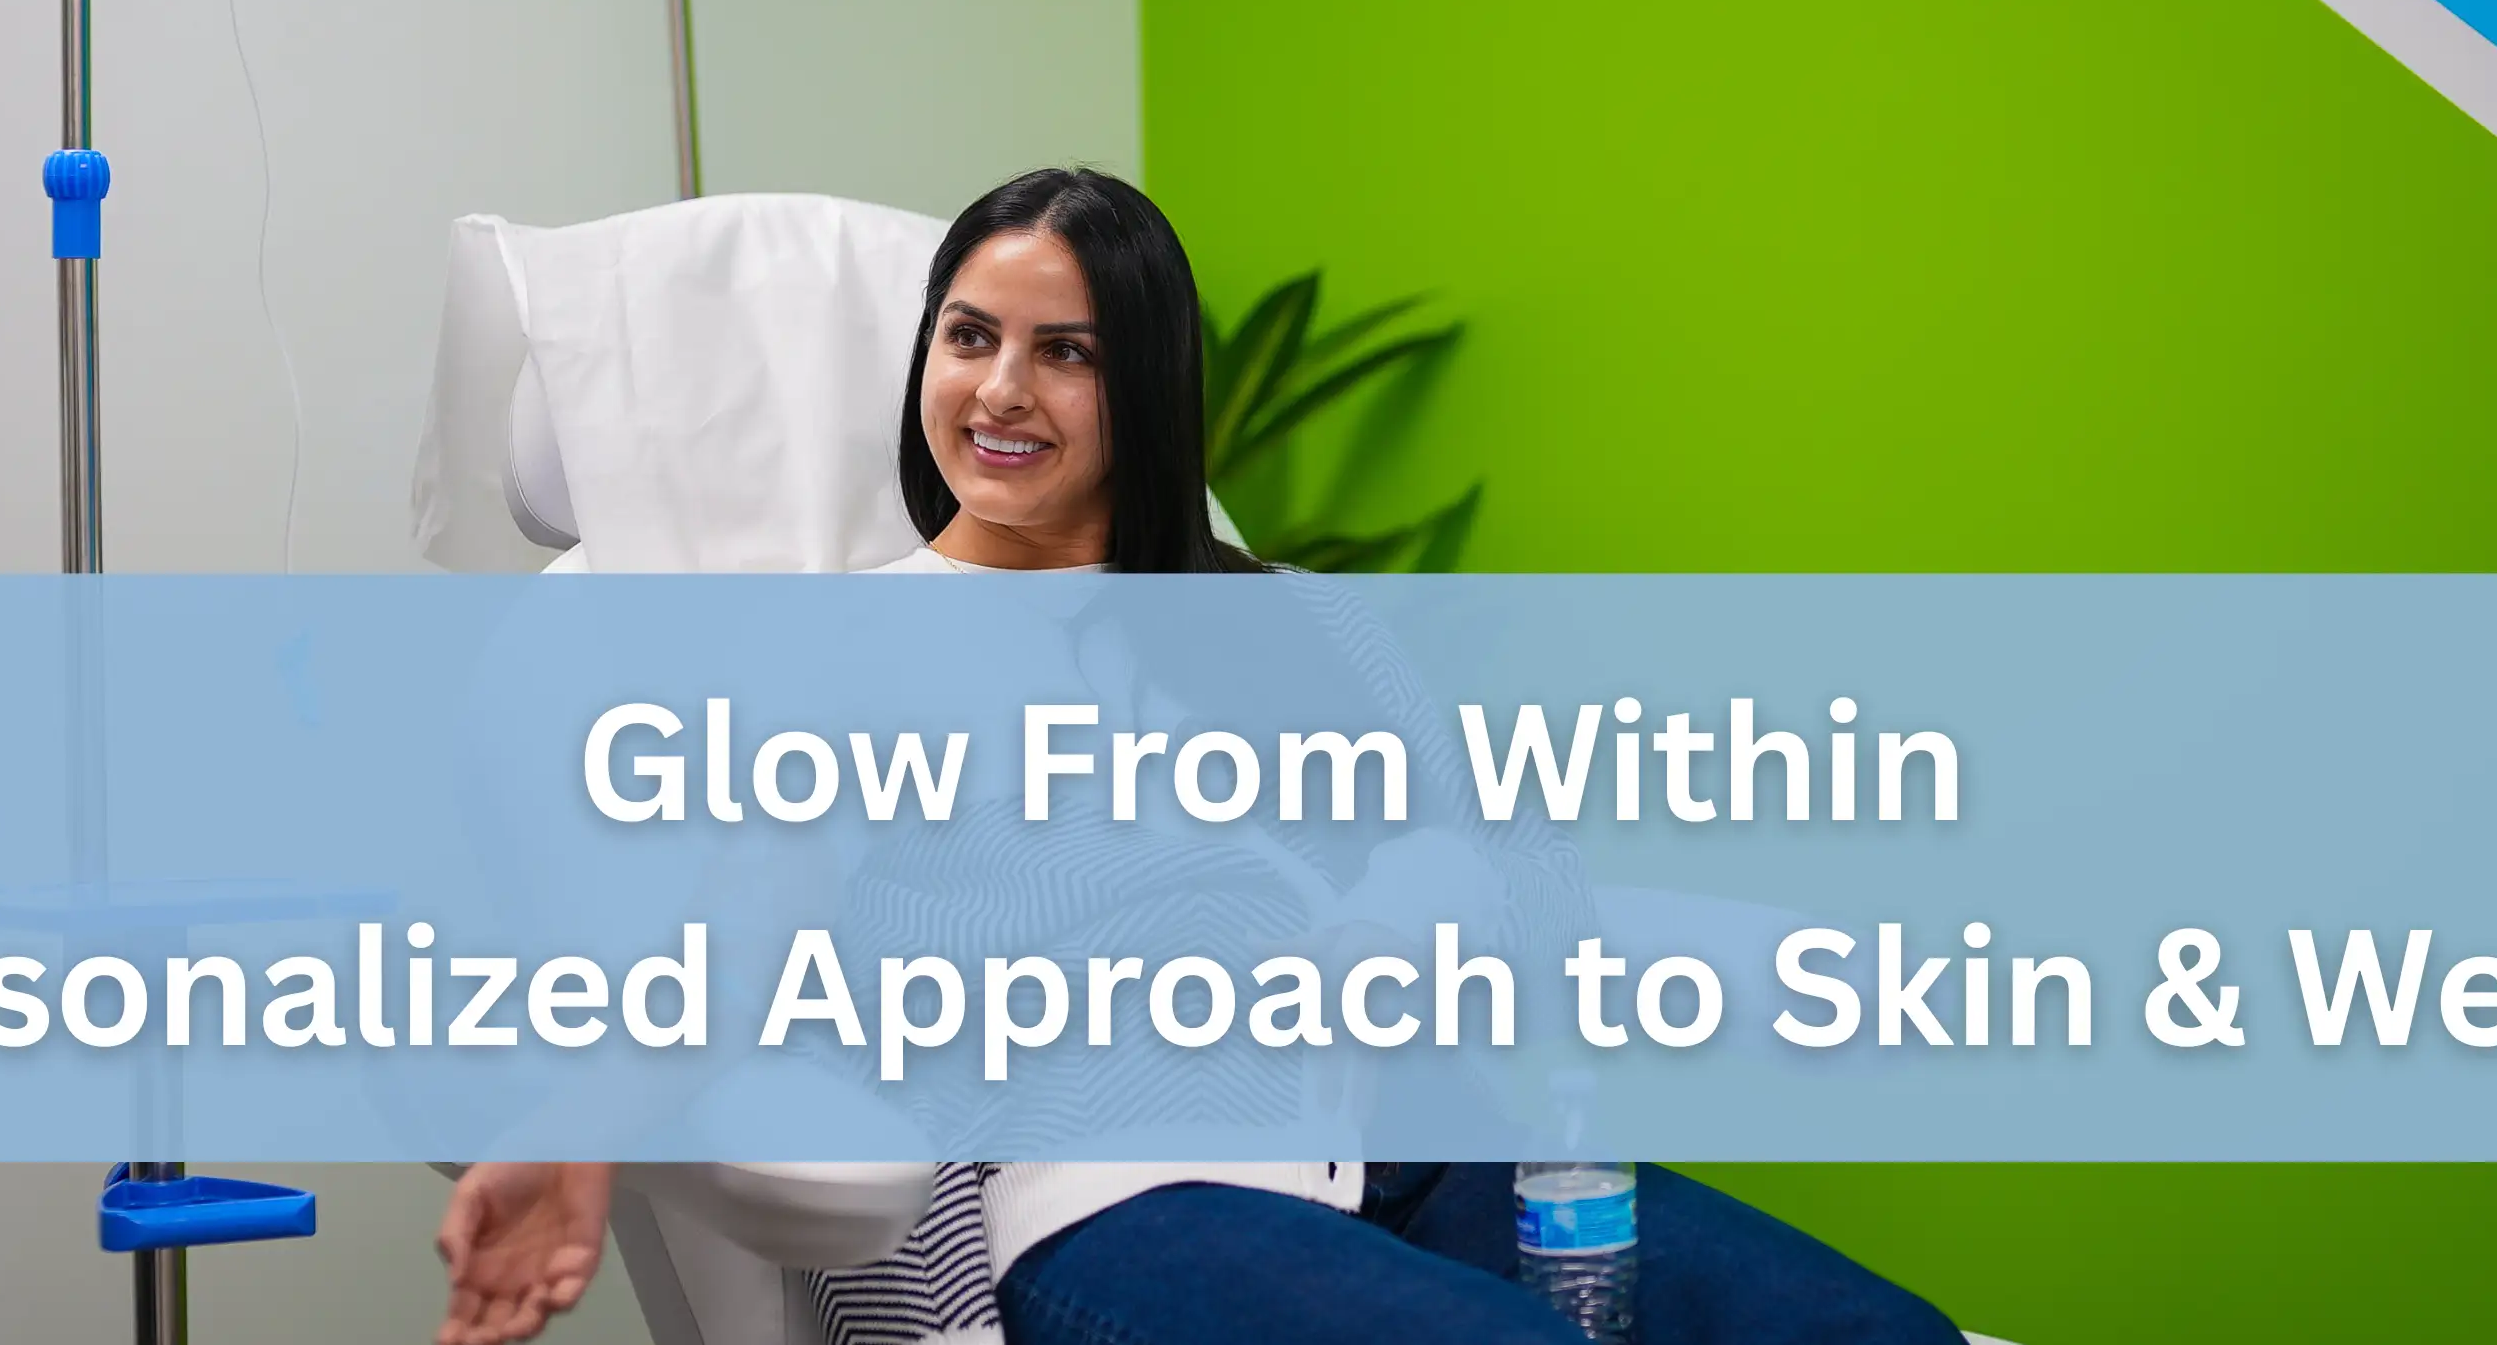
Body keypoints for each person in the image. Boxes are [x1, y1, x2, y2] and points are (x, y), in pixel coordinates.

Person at [437, 169, 1965, 1345]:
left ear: (1145, 386)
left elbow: (1522, 876)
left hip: (1424, 1153)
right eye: (968, 336)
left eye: (1065, 351)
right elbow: (735, 941)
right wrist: (570, 1132)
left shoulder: (1288, 622)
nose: (999, 390)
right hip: (1124, 1195)